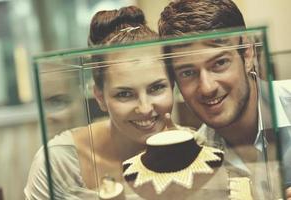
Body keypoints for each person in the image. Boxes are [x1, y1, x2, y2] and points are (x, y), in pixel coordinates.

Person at [24, 6, 182, 199]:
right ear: (100, 97)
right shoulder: (59, 163)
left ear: (172, 85)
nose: (145, 108)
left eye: (156, 88)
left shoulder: (200, 152)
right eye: (124, 94)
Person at [158, 0, 291, 199]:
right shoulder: (196, 160)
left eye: (220, 63)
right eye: (187, 72)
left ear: (247, 54)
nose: (207, 87)